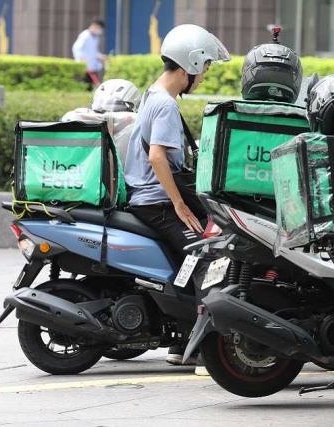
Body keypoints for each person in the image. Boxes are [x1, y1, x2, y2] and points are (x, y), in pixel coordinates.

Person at [123, 24, 230, 367]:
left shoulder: (151, 94)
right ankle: (203, 348)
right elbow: (157, 156)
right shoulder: (166, 105)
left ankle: (180, 338)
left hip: (146, 199)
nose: (205, 75)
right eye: (206, 67)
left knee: (191, 260)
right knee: (208, 259)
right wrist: (180, 204)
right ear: (191, 66)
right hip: (158, 203)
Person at [72, 19, 107, 91]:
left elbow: (93, 51)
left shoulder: (96, 38)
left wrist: (100, 56)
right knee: (84, 83)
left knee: (90, 84)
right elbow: (76, 48)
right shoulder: (85, 35)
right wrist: (80, 59)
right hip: (84, 64)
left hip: (91, 65)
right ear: (94, 26)